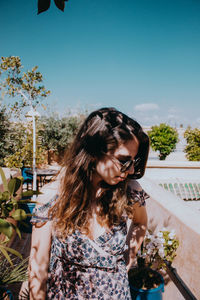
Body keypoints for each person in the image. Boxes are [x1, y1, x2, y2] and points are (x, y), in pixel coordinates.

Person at [28, 107, 150, 299]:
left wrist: (128, 258)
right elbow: (38, 268)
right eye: (124, 161)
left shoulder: (130, 191)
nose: (131, 169)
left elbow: (140, 222)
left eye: (135, 161)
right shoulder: (52, 197)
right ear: (94, 151)